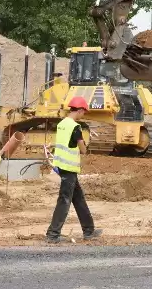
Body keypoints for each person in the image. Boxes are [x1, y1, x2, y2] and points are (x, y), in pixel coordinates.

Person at [45, 96, 102, 243]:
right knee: (64, 199)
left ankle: (89, 230)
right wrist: (85, 143)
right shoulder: (75, 127)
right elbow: (83, 149)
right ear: (80, 110)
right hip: (69, 167)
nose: (83, 115)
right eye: (84, 112)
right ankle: (53, 234)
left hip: (61, 165)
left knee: (78, 198)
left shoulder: (62, 124)